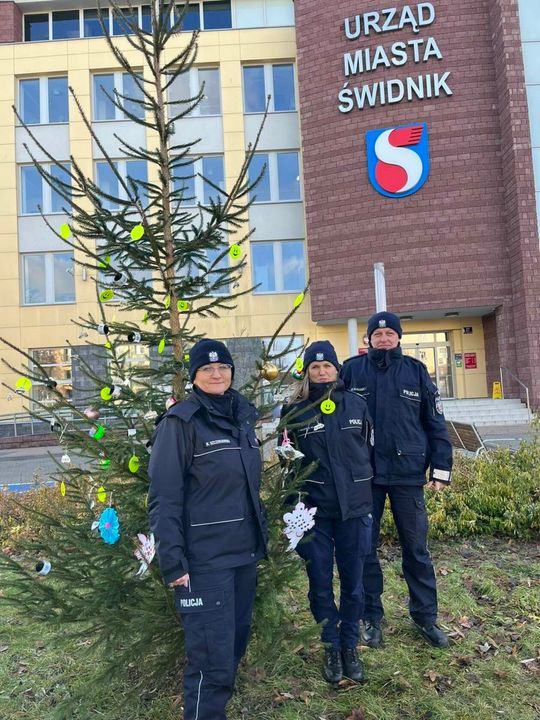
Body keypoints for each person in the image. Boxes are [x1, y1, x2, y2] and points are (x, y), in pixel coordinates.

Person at [148, 339, 267, 720]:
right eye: (207, 369)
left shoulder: (240, 417)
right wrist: (173, 561)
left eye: (223, 367)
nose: (217, 374)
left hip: (243, 556)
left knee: (232, 648)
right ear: (194, 376)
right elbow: (164, 497)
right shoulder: (180, 424)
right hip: (204, 563)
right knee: (210, 663)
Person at [340, 312, 453, 649]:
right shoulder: (352, 371)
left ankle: (425, 616)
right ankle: (371, 616)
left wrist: (441, 469)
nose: (384, 338)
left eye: (390, 333)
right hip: (365, 475)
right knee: (365, 548)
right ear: (368, 339)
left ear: (399, 337)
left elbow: (435, 423)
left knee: (416, 548)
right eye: (378, 334)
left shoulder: (416, 371)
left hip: (407, 474)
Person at [280, 341, 374, 683]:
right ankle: (331, 645)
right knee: (320, 582)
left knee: (353, 582)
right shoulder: (293, 411)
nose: (322, 372)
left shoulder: (357, 404)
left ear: (337, 369)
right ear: (307, 372)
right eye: (315, 367)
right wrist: (291, 510)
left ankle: (349, 644)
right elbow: (286, 462)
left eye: (327, 366)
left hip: (354, 508)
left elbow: (368, 449)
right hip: (313, 512)